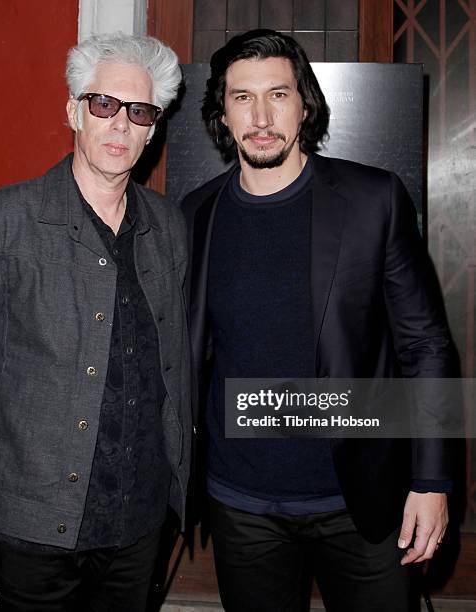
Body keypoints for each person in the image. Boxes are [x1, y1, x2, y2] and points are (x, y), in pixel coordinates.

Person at [181, 29, 455, 612]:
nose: (260, 116)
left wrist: (431, 481)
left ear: (304, 105)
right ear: (221, 114)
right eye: (242, 97)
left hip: (360, 501)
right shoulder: (197, 214)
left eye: (278, 95)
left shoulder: (372, 199)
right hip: (240, 503)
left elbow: (426, 344)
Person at [0, 33, 190, 611]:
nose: (121, 124)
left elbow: (173, 371)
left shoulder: (170, 227)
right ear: (73, 110)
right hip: (31, 530)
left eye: (140, 111)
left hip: (139, 521)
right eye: (103, 104)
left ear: (154, 128)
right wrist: (8, 489)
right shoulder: (2, 221)